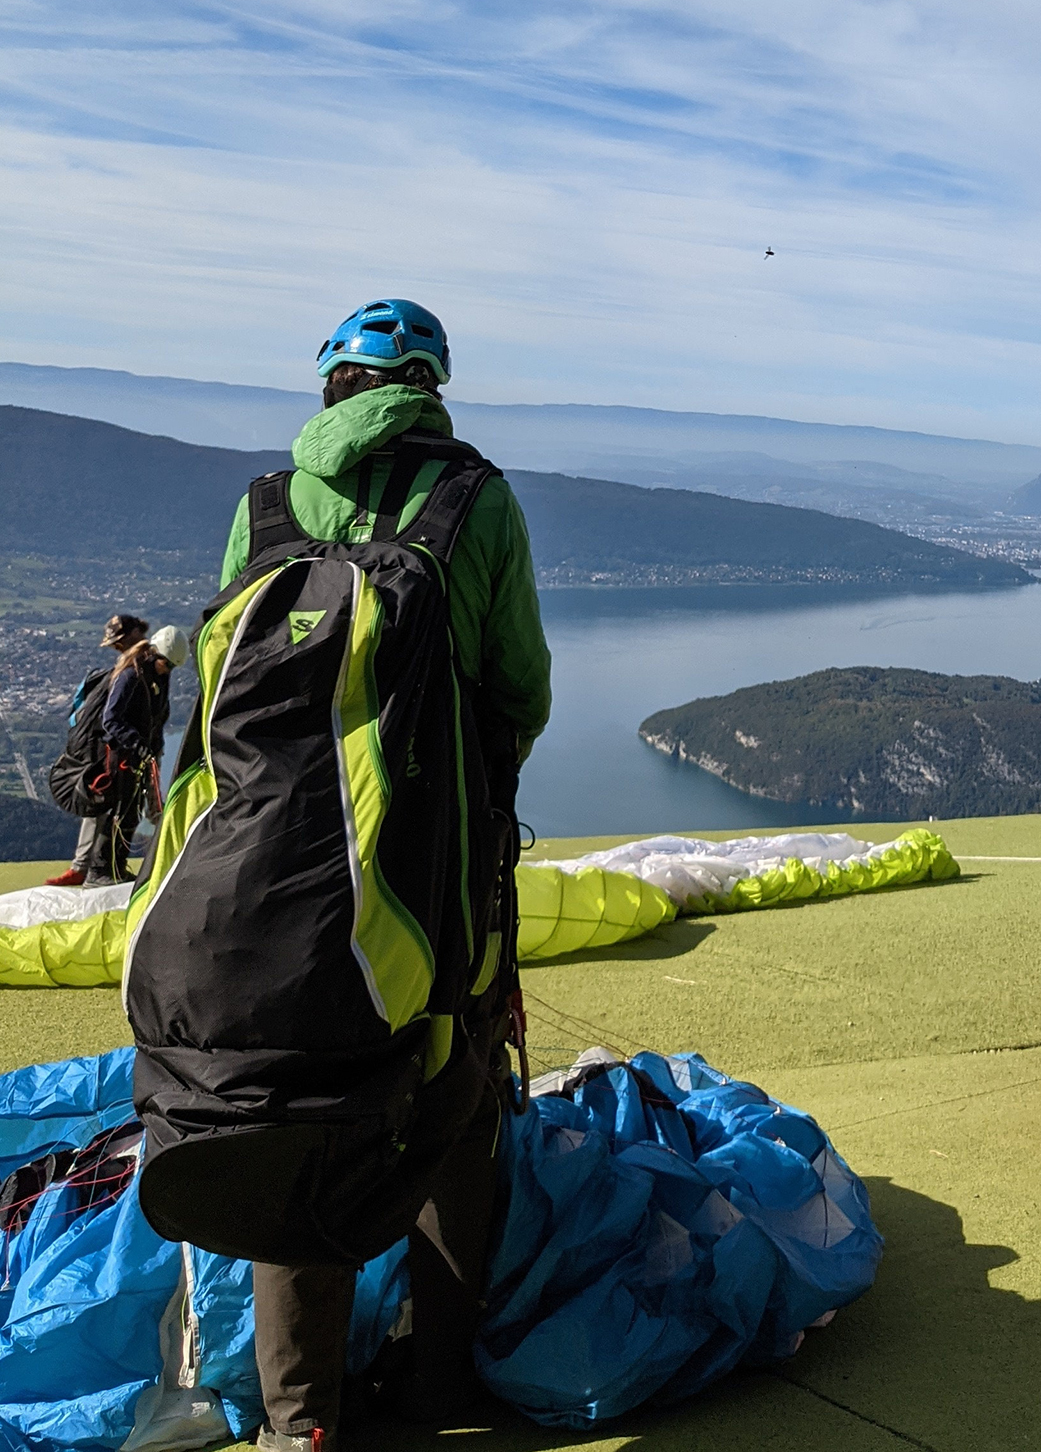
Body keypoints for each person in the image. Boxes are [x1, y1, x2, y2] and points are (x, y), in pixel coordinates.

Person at [224, 300, 551, 1451]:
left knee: (296, 1110)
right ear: (432, 387)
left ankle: (297, 1420)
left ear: (331, 385)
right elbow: (522, 688)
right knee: (451, 1105)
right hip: (436, 876)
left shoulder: (265, 506)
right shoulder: (477, 499)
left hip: (271, 881)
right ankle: (438, 1386)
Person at [45, 614, 148, 887]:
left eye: (118, 641)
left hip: (112, 750)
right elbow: (113, 719)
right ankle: (96, 868)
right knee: (106, 804)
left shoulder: (131, 666)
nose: (116, 647)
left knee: (107, 806)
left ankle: (89, 867)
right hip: (114, 752)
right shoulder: (132, 669)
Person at [81, 624, 186, 886]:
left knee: (131, 812)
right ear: (154, 654)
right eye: (167, 664)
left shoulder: (157, 678)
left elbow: (156, 718)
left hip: (141, 754)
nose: (169, 670)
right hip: (121, 755)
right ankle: (99, 871)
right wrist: (136, 743)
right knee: (118, 809)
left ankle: (117, 867)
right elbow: (111, 719)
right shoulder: (130, 676)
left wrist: (154, 747)